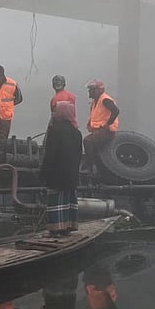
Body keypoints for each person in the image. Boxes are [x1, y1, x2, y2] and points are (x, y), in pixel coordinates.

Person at [40, 101, 82, 237]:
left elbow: (50, 154)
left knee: (56, 202)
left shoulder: (54, 130)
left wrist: (43, 172)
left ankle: (55, 229)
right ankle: (68, 227)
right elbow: (79, 155)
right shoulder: (77, 133)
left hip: (57, 174)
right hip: (71, 174)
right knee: (68, 201)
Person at [82, 80, 119, 174]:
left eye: (91, 90)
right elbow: (97, 115)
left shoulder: (105, 99)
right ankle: (96, 167)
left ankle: (89, 168)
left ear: (98, 90)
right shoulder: (95, 101)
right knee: (95, 147)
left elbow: (115, 111)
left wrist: (108, 124)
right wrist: (90, 125)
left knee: (87, 141)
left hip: (107, 131)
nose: (89, 92)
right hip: (98, 130)